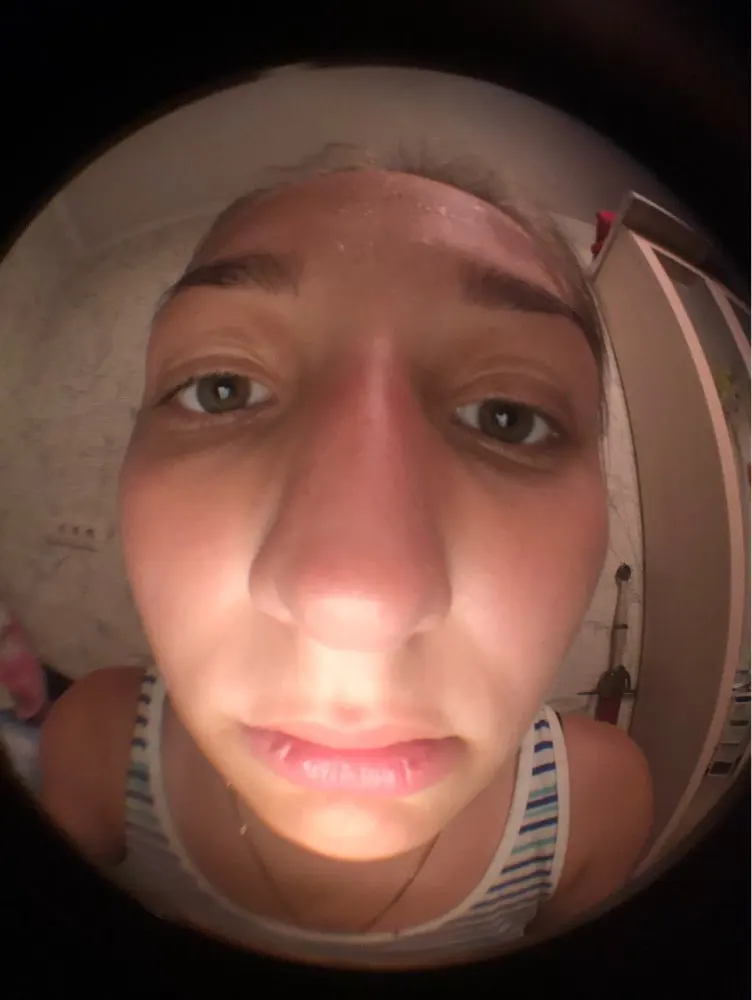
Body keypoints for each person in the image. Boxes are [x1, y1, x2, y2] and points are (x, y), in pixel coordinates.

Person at [39, 144, 652, 970]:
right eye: (222, 388)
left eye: (508, 416)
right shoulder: (93, 747)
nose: (355, 604)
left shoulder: (597, 809)